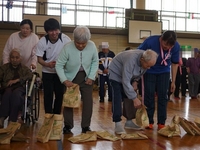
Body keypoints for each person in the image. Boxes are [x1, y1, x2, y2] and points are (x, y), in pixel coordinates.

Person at [55, 26, 98, 134]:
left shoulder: (92, 46)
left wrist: (91, 76)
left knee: (88, 102)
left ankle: (86, 126)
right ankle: (68, 126)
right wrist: (64, 80)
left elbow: (95, 62)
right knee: (69, 102)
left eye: (83, 43)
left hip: (87, 77)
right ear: (74, 39)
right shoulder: (67, 47)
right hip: (70, 78)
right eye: (78, 43)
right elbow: (59, 65)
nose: (80, 45)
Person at [108, 49, 158, 134]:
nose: (149, 68)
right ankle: (118, 123)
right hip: (116, 74)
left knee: (129, 96)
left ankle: (129, 121)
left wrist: (135, 81)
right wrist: (135, 98)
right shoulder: (130, 59)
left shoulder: (145, 61)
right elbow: (125, 81)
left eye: (150, 66)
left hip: (128, 76)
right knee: (118, 97)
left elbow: (140, 73)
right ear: (142, 59)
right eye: (148, 65)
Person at [138, 30, 180, 130]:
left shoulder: (176, 46)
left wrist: (173, 81)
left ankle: (161, 122)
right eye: (165, 44)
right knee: (149, 95)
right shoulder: (150, 41)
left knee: (163, 96)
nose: (167, 48)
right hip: (149, 71)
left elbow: (174, 64)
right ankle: (149, 121)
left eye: (170, 46)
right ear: (161, 38)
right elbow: (138, 54)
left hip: (164, 72)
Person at [36, 18, 71, 114]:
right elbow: (39, 59)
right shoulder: (42, 41)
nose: (54, 33)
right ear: (47, 31)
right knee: (48, 95)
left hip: (61, 73)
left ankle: (57, 116)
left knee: (60, 95)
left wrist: (62, 64)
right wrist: (47, 64)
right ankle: (48, 115)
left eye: (56, 30)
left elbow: (70, 56)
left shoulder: (66, 39)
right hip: (47, 72)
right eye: (51, 31)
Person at [0, 49, 33, 128]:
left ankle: (12, 120)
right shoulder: (4, 68)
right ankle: (2, 117)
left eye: (17, 57)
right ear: (9, 58)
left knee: (16, 94)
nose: (14, 60)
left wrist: (17, 80)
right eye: (12, 57)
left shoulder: (24, 68)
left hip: (20, 88)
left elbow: (31, 75)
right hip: (7, 87)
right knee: (7, 93)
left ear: (20, 59)